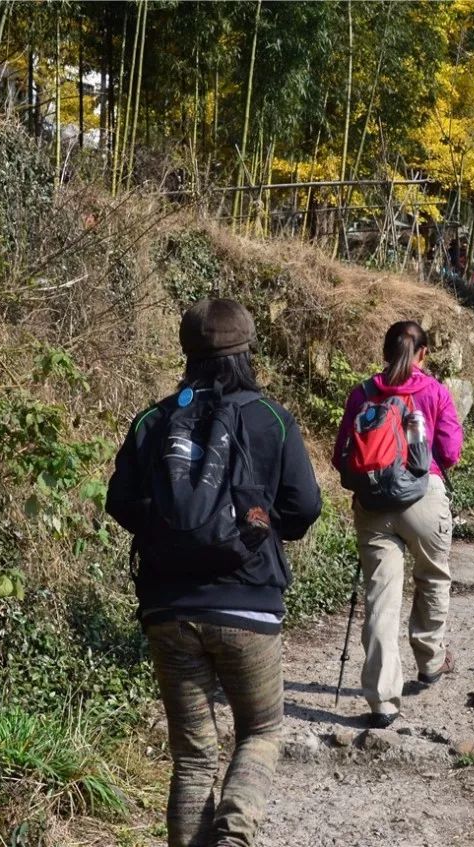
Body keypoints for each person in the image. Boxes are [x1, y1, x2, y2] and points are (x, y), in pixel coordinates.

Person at [105, 299, 322, 847]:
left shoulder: (155, 420)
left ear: (187, 353)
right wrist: (257, 529)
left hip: (168, 610)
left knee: (194, 758)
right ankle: (234, 834)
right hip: (249, 605)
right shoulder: (269, 417)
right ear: (246, 351)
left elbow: (122, 503)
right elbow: (304, 507)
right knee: (262, 729)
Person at [332, 321, 463, 729]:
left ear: (385, 350)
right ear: (422, 354)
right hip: (424, 498)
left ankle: (383, 701)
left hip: (373, 505)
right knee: (433, 576)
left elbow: (341, 458)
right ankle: (430, 659)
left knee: (380, 596)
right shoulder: (435, 391)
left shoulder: (363, 393)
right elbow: (452, 452)